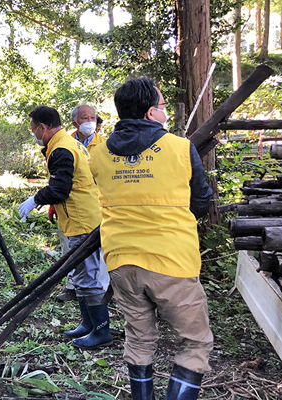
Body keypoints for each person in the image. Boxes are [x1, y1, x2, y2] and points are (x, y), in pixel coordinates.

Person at [90, 77, 213, 400]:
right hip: (171, 261)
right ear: (149, 113)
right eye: (161, 106)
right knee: (195, 341)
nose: (164, 112)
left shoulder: (99, 155)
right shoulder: (179, 148)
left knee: (140, 339)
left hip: (121, 261)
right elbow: (201, 201)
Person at [17, 106, 111, 349]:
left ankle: (101, 330)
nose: (34, 134)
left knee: (88, 276)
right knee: (79, 273)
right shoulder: (68, 143)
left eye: (33, 130)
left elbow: (60, 189)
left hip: (83, 219)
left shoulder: (61, 148)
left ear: (43, 127)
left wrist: (35, 200)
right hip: (80, 216)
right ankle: (87, 324)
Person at [56, 105, 109, 302]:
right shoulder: (65, 143)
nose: (89, 121)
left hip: (97, 204)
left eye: (92, 117)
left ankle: (99, 290)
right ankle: (72, 286)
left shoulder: (104, 145)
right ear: (74, 122)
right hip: (69, 205)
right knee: (68, 244)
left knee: (98, 247)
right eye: (84, 117)